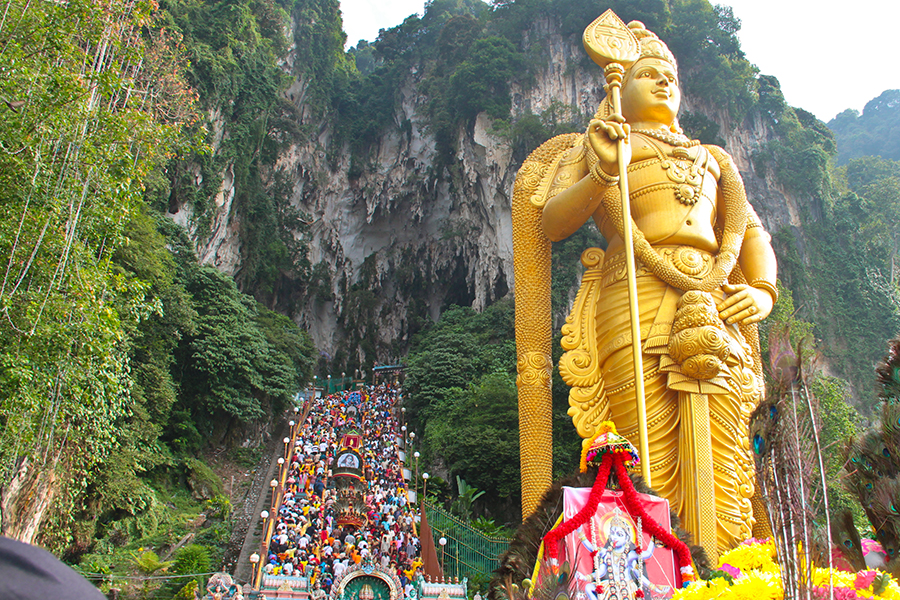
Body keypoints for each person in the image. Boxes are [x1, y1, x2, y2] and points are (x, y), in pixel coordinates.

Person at [530, 18, 777, 553]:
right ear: (623, 85)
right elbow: (551, 223)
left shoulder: (714, 160)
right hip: (633, 297)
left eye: (671, 75)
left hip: (714, 302)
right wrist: (599, 171)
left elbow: (753, 234)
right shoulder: (605, 141)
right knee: (642, 447)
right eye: (649, 74)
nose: (665, 82)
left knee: (726, 443)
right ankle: (649, 569)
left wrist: (762, 290)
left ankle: (730, 571)